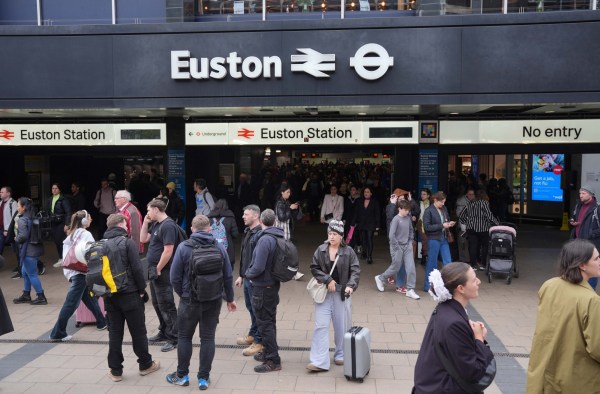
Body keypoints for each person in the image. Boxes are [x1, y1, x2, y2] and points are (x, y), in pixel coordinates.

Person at [166, 215, 237, 389]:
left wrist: (182, 293)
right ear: (209, 229)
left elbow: (174, 277)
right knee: (207, 338)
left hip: (189, 301)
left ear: (192, 229)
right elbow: (228, 275)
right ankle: (203, 378)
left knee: (184, 337)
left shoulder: (183, 247)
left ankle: (182, 376)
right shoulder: (219, 247)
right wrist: (230, 298)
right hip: (213, 301)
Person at [526, 239, 600, 392]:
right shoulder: (592, 300)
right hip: (576, 378)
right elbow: (596, 348)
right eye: (596, 258)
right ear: (582, 265)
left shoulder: (549, 285)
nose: (599, 261)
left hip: (545, 370)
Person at [414, 262, 495, 393]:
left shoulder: (445, 309)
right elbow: (473, 372)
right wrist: (479, 339)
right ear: (461, 288)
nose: (479, 282)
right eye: (474, 280)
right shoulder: (454, 323)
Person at [103, 213, 160, 382]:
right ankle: (145, 364)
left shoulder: (101, 244)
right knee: (138, 332)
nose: (127, 227)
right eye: (125, 224)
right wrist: (142, 289)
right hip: (130, 294)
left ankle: (115, 371)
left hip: (110, 296)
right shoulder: (127, 243)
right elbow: (136, 269)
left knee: (114, 333)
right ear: (120, 225)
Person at [306, 220, 360, 372]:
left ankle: (340, 354)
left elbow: (355, 271)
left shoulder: (349, 251)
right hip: (324, 294)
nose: (331, 236)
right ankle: (319, 361)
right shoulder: (321, 249)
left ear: (341, 236)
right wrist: (328, 279)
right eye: (330, 233)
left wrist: (351, 285)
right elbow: (314, 268)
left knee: (341, 326)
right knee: (321, 326)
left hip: (341, 294)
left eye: (335, 234)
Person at [50, 210, 107, 342]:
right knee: (71, 303)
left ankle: (101, 322)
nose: (91, 220)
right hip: (80, 273)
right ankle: (57, 333)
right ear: (85, 221)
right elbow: (91, 253)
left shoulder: (72, 233)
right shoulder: (86, 234)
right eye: (90, 218)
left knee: (87, 296)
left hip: (72, 271)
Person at [244, 209, 283, 373]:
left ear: (261, 221)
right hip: (272, 286)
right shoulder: (278, 236)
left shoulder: (264, 240)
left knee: (264, 324)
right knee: (270, 321)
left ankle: (272, 360)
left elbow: (258, 267)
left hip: (262, 288)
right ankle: (268, 351)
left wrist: (247, 274)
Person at [140, 199, 180, 352]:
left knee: (166, 304)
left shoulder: (168, 225)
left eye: (149, 210)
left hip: (163, 271)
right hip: (154, 270)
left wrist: (158, 268)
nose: (148, 213)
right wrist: (145, 222)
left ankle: (174, 337)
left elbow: (168, 250)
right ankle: (164, 331)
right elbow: (143, 239)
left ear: (156, 209)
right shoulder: (156, 224)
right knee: (157, 303)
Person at [375, 199, 420, 299]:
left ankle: (410, 289)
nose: (407, 212)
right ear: (399, 209)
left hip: (407, 246)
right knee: (396, 266)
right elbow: (391, 235)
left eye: (408, 210)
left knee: (411, 267)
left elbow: (411, 231)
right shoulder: (395, 219)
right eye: (405, 210)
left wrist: (410, 241)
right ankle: (381, 278)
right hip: (397, 247)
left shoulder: (408, 218)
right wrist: (397, 247)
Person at [235, 204, 264, 357]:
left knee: (257, 310)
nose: (243, 216)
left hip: (255, 281)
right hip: (247, 278)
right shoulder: (248, 232)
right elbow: (245, 256)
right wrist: (241, 275)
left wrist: (253, 277)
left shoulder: (260, 235)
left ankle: (259, 342)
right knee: (250, 307)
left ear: (255, 216)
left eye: (246, 214)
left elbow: (259, 260)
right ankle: (253, 334)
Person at [12, 197, 47, 305]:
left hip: (28, 251)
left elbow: (23, 236)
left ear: (24, 207)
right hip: (34, 249)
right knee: (24, 272)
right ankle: (26, 294)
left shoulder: (22, 219)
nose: (17, 208)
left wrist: (16, 239)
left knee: (31, 274)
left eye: (18, 206)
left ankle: (41, 296)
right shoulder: (32, 216)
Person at [459, 189, 499, 271]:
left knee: (473, 246)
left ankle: (473, 265)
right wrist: (497, 224)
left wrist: (468, 222)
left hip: (471, 228)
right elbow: (489, 216)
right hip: (483, 228)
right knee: (484, 246)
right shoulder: (484, 203)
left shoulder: (470, 204)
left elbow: (461, 215)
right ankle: (482, 264)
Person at [568, 184, 600, 289]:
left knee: (590, 268)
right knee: (577, 267)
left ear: (590, 195)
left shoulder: (597, 208)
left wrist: (590, 234)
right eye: (580, 193)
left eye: (583, 193)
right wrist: (573, 222)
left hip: (590, 245)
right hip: (578, 243)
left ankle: (590, 292)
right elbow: (576, 218)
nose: (581, 195)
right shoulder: (578, 205)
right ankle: (579, 290)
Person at [423, 191, 455, 292]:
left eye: (444, 202)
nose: (443, 204)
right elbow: (427, 227)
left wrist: (449, 223)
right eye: (441, 202)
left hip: (443, 238)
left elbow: (446, 219)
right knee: (432, 263)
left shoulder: (444, 209)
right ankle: (427, 286)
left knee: (448, 262)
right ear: (435, 200)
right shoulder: (428, 211)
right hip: (433, 239)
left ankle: (447, 285)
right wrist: (442, 225)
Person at [274, 185, 304, 280]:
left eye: (289, 192)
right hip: (281, 230)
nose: (289, 194)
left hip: (285, 230)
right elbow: (282, 217)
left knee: (285, 252)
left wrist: (294, 208)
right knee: (287, 252)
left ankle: (290, 272)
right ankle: (293, 273)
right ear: (282, 192)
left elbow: (290, 216)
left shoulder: (286, 202)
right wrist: (289, 208)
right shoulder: (280, 203)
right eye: (287, 192)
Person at [207, 198, 239, 269]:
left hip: (212, 251)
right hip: (227, 251)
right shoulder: (230, 218)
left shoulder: (209, 218)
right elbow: (235, 234)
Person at [352, 186, 380, 264]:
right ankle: (364, 253)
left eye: (368, 192)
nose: (366, 193)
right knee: (363, 239)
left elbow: (377, 214)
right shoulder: (359, 201)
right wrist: (353, 222)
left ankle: (369, 256)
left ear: (371, 193)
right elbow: (356, 213)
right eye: (365, 192)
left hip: (371, 223)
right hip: (361, 223)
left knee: (369, 239)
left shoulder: (375, 202)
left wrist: (378, 225)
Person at [47, 183, 71, 268]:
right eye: (53, 188)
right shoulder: (50, 199)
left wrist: (67, 224)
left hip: (62, 222)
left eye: (56, 188)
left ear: (59, 190)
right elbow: (49, 210)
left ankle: (62, 258)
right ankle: (63, 258)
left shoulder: (63, 199)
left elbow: (68, 212)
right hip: (54, 222)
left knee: (59, 240)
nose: (54, 190)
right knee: (56, 240)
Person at [455, 188, 475, 263]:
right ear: (466, 194)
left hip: (472, 227)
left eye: (473, 194)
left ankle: (469, 259)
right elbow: (459, 214)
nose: (471, 196)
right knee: (463, 243)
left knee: (471, 243)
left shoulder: (474, 202)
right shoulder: (462, 203)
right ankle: (464, 260)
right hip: (463, 227)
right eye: (470, 194)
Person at [417, 188, 432, 265]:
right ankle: (424, 256)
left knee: (428, 240)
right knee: (425, 239)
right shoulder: (419, 203)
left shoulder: (431, 204)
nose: (422, 195)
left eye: (424, 194)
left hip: (430, 224)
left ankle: (424, 255)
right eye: (421, 194)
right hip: (421, 223)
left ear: (428, 196)